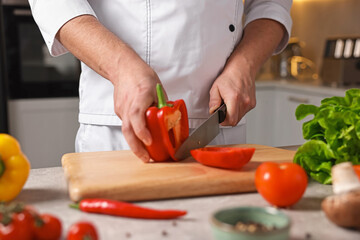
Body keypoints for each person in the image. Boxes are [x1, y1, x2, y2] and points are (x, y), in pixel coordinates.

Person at [29, 0, 292, 162]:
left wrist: (245, 63)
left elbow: (273, 3)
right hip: (119, 130)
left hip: (220, 121)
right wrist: (121, 67)